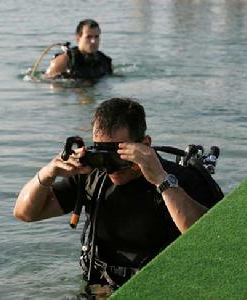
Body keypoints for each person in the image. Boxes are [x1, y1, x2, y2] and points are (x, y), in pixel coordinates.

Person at [14, 98, 223, 298]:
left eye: (118, 155)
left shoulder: (180, 180)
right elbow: (25, 213)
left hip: (161, 288)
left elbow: (211, 240)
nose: (110, 167)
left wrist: (161, 180)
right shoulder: (93, 177)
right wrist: (47, 173)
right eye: (102, 156)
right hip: (101, 289)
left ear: (145, 145)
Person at [45, 19, 113, 80]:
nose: (93, 41)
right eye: (88, 37)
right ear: (78, 38)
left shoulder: (105, 61)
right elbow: (46, 82)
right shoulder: (63, 61)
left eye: (96, 37)